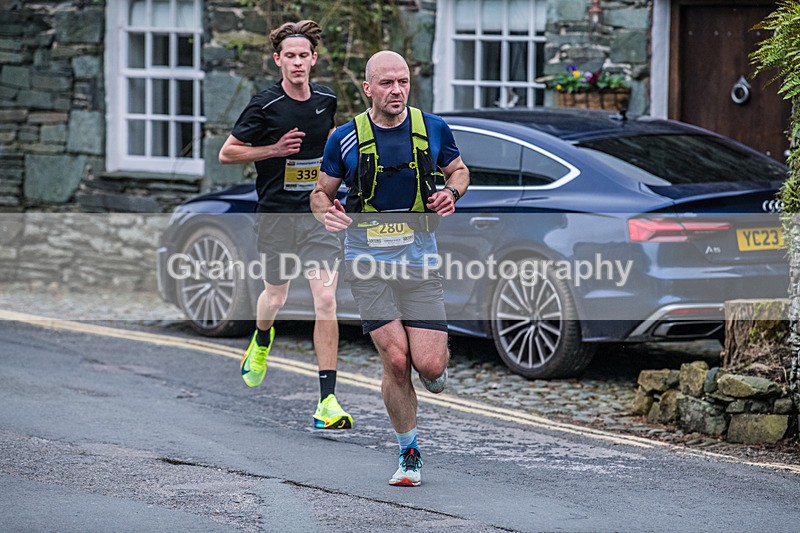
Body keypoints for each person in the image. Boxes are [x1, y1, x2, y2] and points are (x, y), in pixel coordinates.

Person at [310, 50, 469, 486]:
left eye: (402, 81)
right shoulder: (343, 138)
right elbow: (319, 194)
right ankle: (409, 453)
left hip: (418, 261)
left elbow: (458, 171)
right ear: (368, 89)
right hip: (367, 265)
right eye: (386, 83)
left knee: (430, 366)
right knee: (397, 362)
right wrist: (328, 212)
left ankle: (434, 372)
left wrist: (452, 194)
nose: (396, 90)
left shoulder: (432, 128)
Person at [219, 20, 352, 430]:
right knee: (274, 298)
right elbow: (227, 153)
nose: (297, 63)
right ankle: (262, 338)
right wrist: (274, 149)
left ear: (314, 60)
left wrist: (344, 180)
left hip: (316, 215)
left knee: (326, 301)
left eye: (303, 56)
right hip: (277, 214)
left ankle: (327, 400)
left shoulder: (326, 99)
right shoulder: (265, 104)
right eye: (289, 56)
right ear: (278, 60)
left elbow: (333, 144)